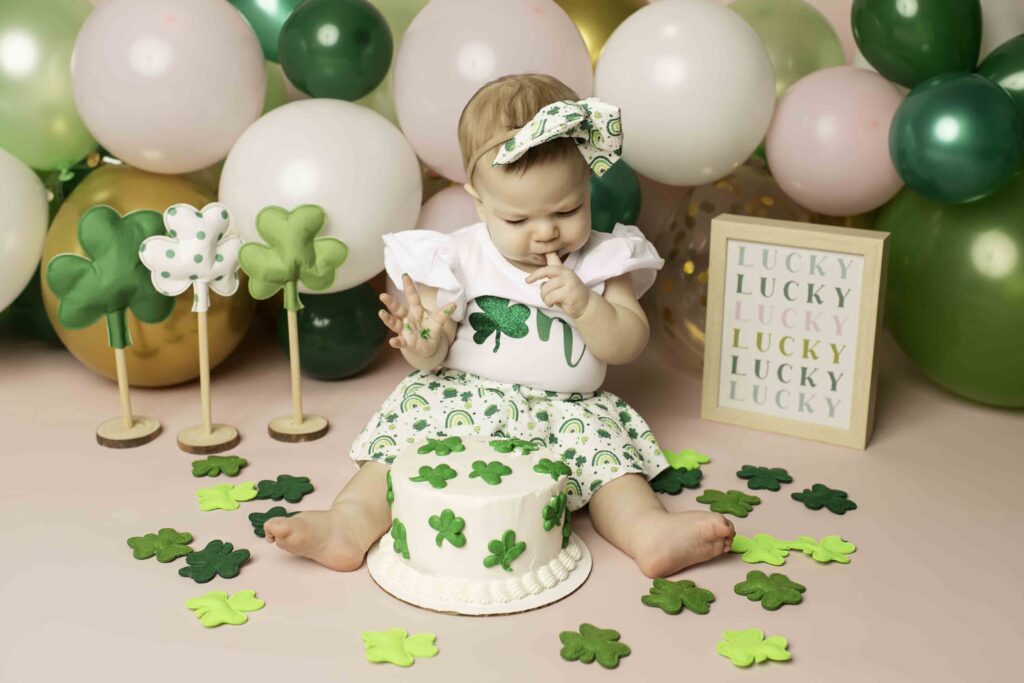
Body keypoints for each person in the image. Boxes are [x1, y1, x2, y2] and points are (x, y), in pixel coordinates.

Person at [263, 73, 735, 578]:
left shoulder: (603, 259)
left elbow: (627, 343)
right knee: (401, 442)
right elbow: (432, 354)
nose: (546, 231)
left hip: (567, 409)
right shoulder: (457, 256)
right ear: (479, 202)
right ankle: (348, 523)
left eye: (568, 208)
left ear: (587, 188)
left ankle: (649, 532)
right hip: (463, 395)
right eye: (517, 220)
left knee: (612, 466)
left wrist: (586, 306)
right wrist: (423, 342)